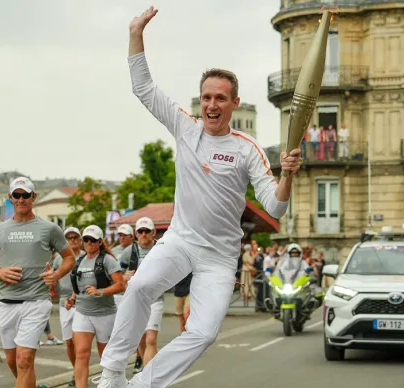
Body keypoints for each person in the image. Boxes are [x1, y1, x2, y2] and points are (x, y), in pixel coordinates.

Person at [96, 7, 302, 387]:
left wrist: (286, 176)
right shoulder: (185, 128)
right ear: (200, 101)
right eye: (206, 97)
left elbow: (274, 207)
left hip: (219, 257)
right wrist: (135, 32)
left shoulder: (247, 149)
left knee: (204, 333)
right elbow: (143, 88)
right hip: (180, 240)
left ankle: (142, 384)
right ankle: (111, 373)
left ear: (234, 103)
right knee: (139, 287)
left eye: (220, 98)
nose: (211, 105)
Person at [0, 177, 77, 388]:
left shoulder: (49, 228)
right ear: (10, 198)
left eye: (26, 195)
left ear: (33, 197)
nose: (21, 199)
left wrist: (56, 274)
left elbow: (69, 258)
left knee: (24, 359)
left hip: (36, 302)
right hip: (6, 302)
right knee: (13, 361)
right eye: (17, 195)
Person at [65, 225, 125, 388]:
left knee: (106, 357)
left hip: (105, 314)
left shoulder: (107, 260)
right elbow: (79, 289)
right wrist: (71, 299)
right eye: (86, 240)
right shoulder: (80, 261)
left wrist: (101, 292)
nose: (89, 243)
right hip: (82, 313)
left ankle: (113, 384)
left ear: (99, 242)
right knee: (81, 354)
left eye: (93, 240)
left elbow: (121, 285)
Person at [117, 217, 163, 373]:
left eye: (147, 231)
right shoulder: (129, 251)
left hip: (155, 300)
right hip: (136, 301)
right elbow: (115, 275)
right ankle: (145, 368)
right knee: (141, 339)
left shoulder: (161, 248)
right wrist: (123, 277)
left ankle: (150, 377)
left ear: (153, 232)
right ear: (136, 234)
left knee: (151, 339)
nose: (144, 234)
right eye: (140, 231)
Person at [55, 226, 84, 387]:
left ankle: (79, 374)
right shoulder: (59, 259)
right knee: (69, 343)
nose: (72, 240)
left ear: (80, 240)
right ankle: (76, 370)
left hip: (82, 304)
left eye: (75, 237)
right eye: (69, 238)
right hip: (64, 304)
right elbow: (52, 277)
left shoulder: (86, 257)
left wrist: (75, 297)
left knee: (80, 342)